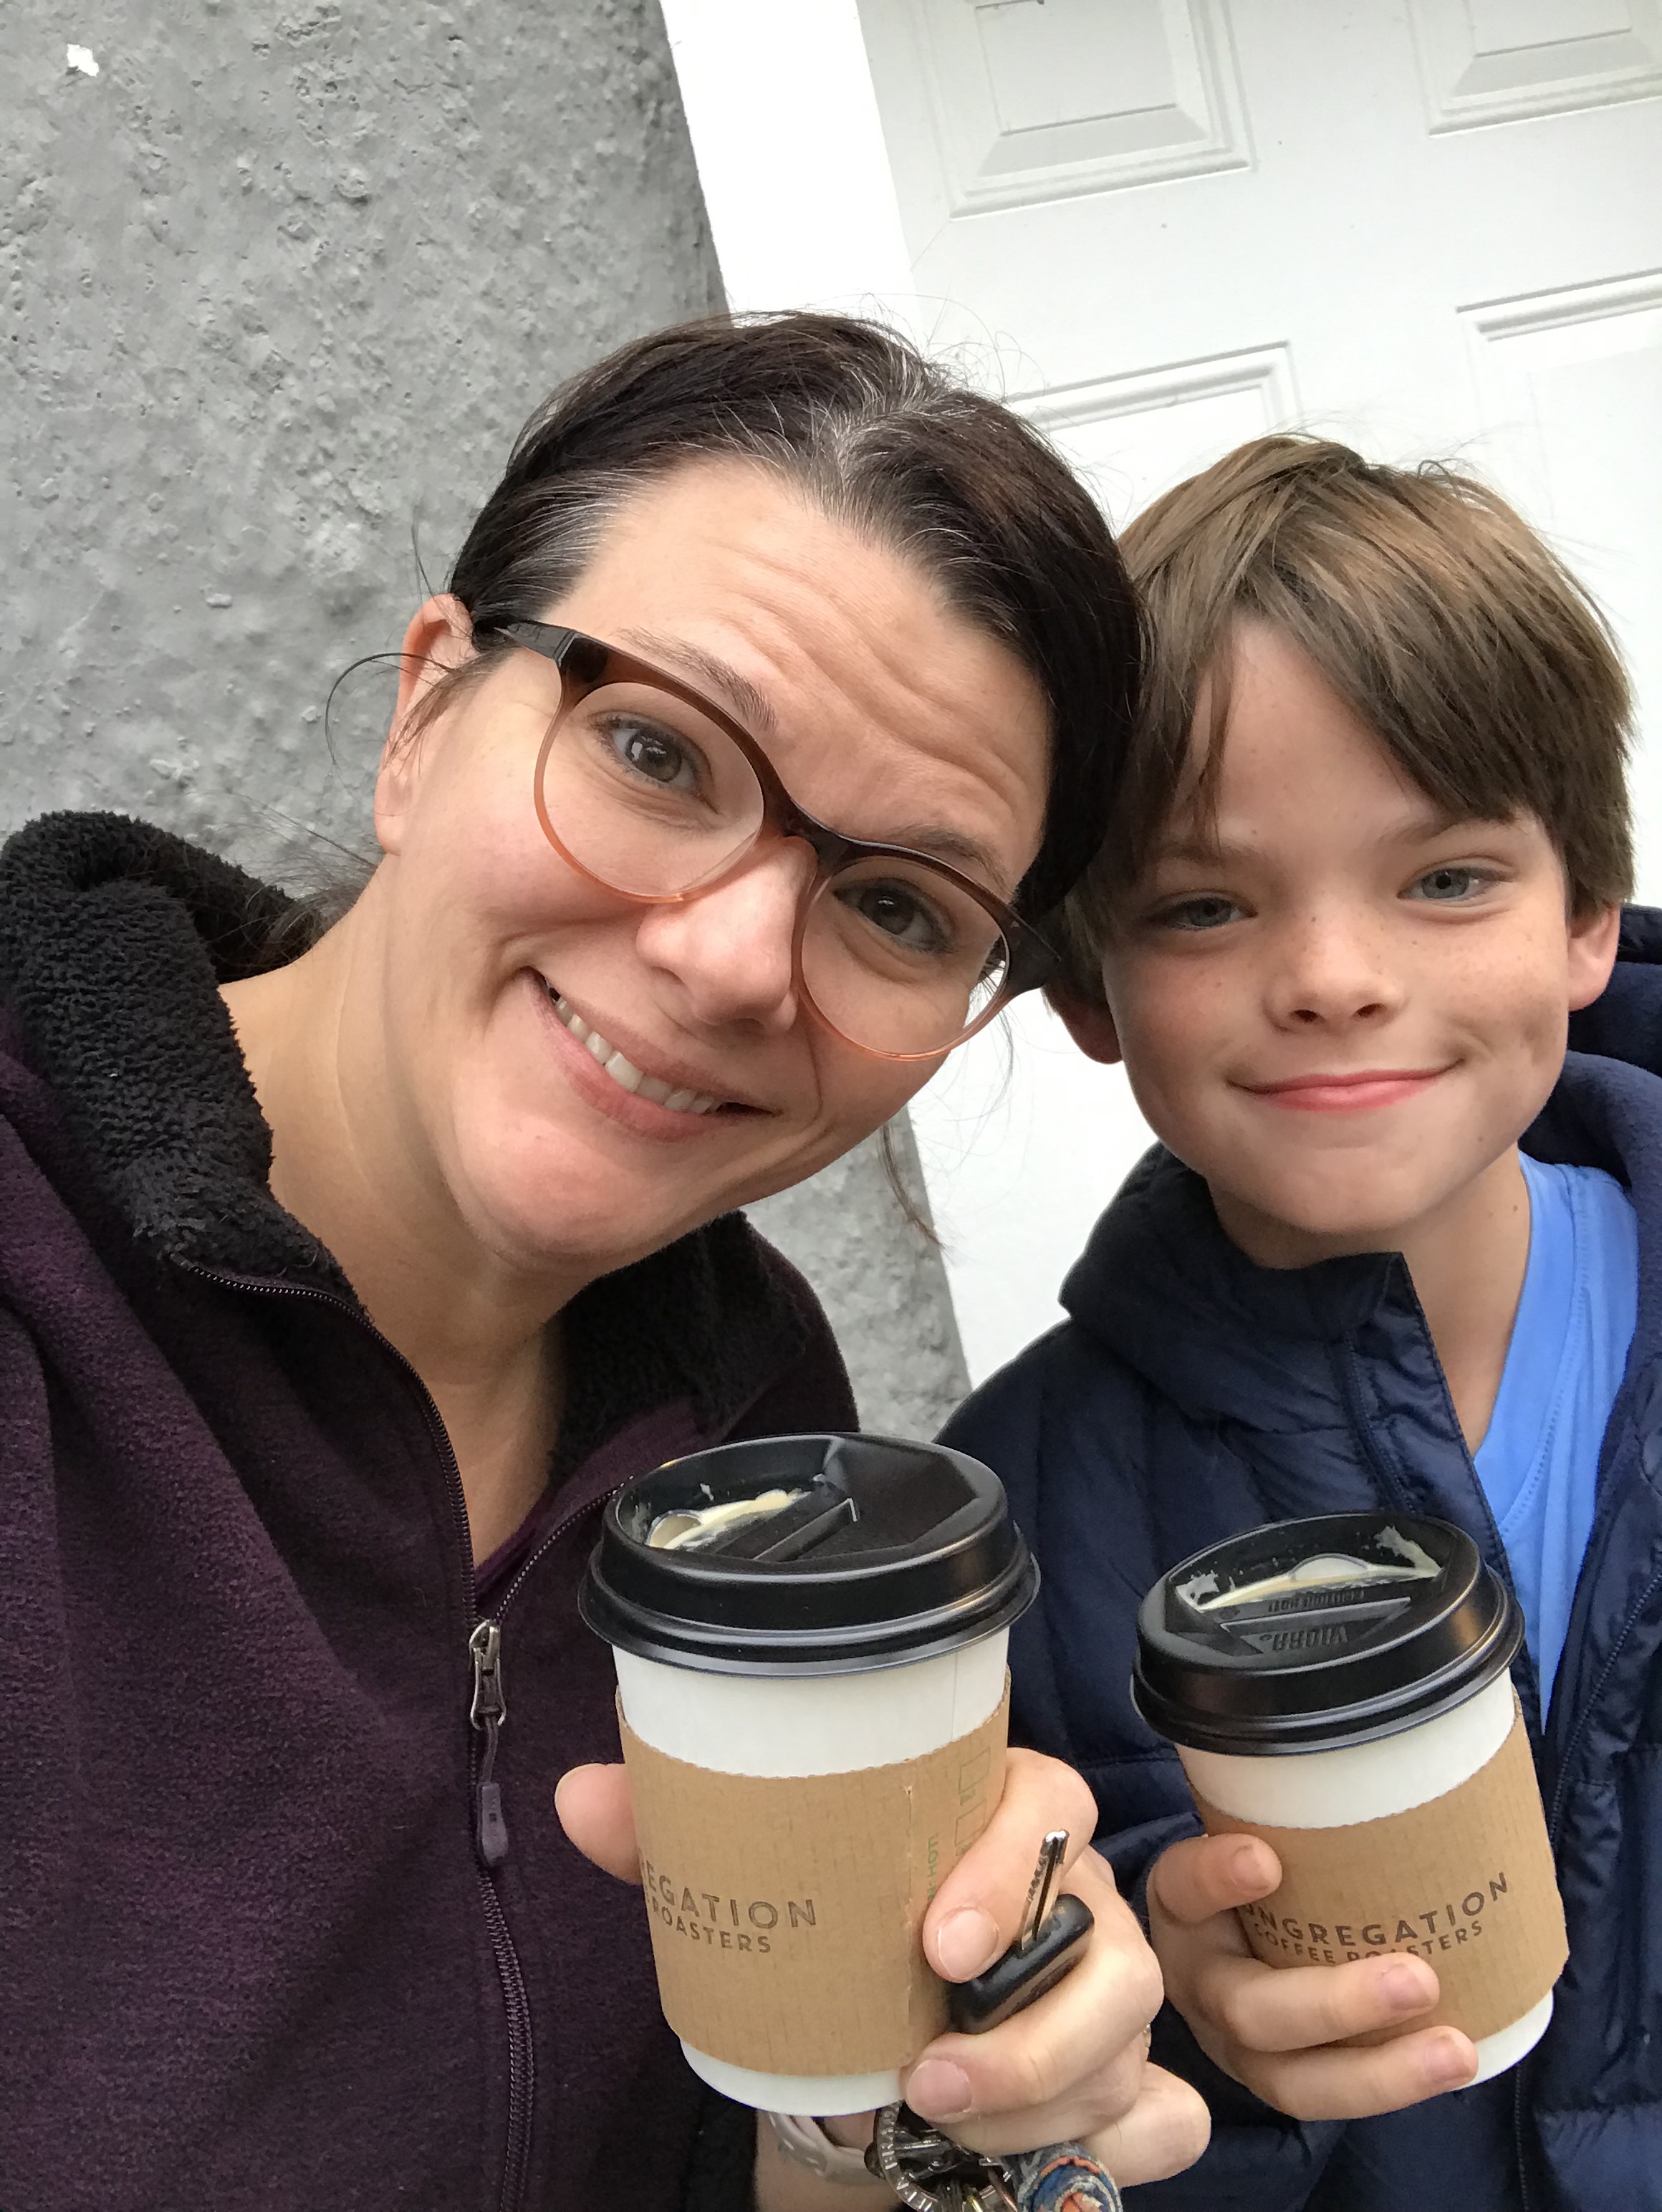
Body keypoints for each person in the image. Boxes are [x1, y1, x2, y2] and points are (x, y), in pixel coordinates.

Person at [0, 312, 1211, 2212]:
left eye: (896, 906)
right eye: (655, 749)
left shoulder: (755, 1420)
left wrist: (901, 2105)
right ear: (425, 718)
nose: (730, 959)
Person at [943, 434, 1659, 2211]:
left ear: (1585, 914)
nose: (1334, 975)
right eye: (1205, 904)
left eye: (1445, 878)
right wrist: (1162, 2017)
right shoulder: (1006, 1517)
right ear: (1089, 988)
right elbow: (1013, 2082)